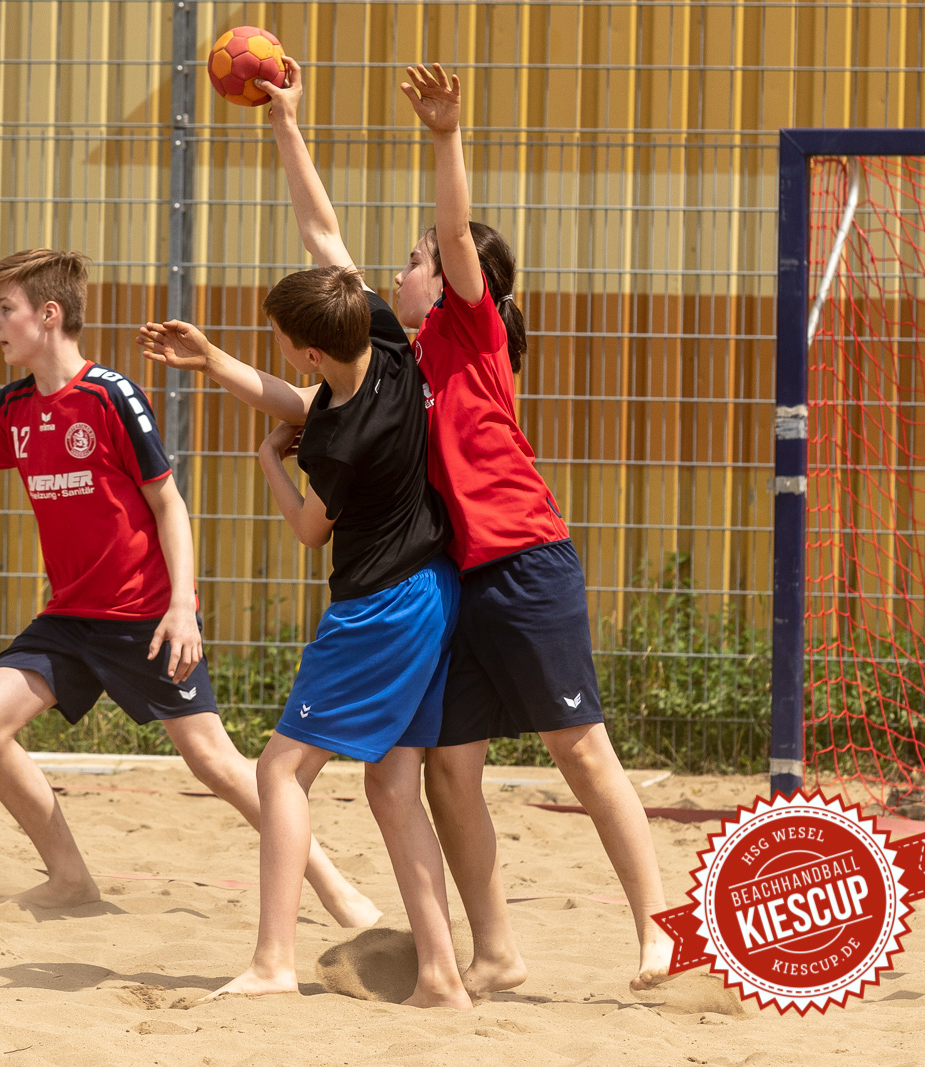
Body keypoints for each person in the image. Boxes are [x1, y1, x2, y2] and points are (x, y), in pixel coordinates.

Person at [149, 57, 673, 994]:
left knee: (582, 749)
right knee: (444, 775)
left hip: (522, 560)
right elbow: (321, 238)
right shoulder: (386, 349)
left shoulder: (471, 330)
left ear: (454, 278)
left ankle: (659, 933)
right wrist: (285, 124)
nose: (404, 265)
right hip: (448, 579)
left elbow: (447, 239)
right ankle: (494, 954)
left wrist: (444, 136)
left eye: (418, 258)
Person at [0, 248, 379, 928]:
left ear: (48, 315)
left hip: (144, 617)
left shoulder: (110, 395)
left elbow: (170, 505)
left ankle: (340, 892)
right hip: (71, 617)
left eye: (4, 310)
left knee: (216, 763)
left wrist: (182, 608)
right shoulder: (13, 409)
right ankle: (69, 878)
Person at [139, 264, 470, 1007]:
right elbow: (324, 244)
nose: (281, 351)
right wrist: (214, 358)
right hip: (434, 591)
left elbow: (310, 530)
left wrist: (266, 462)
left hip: (376, 608)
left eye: (282, 342)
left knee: (280, 772)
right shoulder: (388, 345)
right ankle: (442, 975)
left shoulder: (340, 440)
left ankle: (272, 961)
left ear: (309, 354)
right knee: (391, 783)